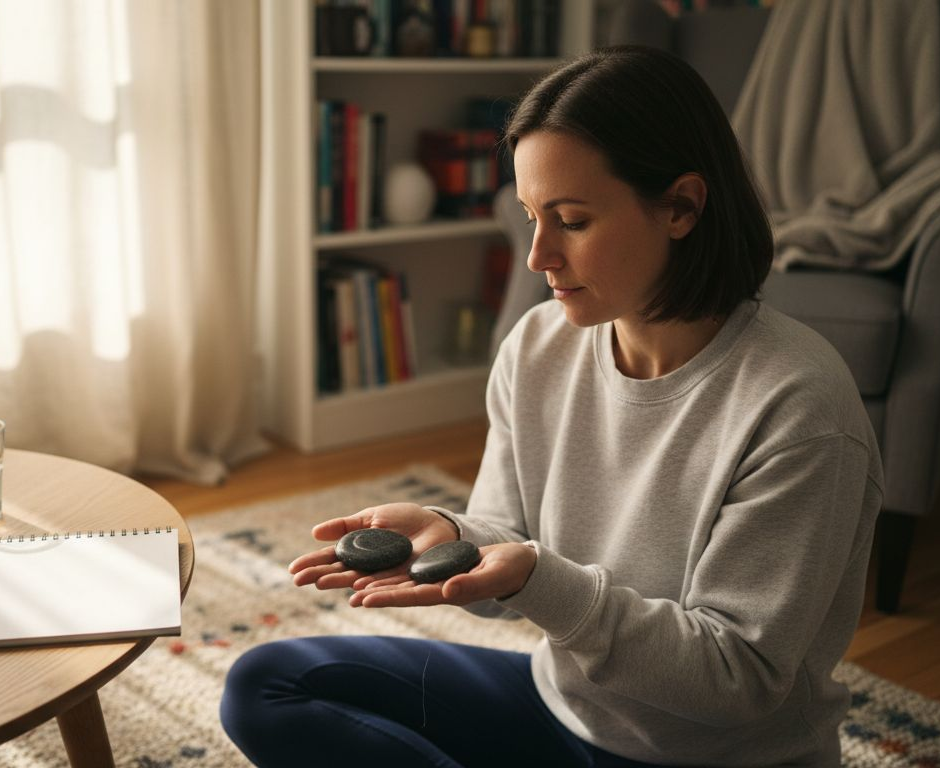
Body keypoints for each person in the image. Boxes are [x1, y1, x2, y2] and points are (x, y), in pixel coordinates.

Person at [220, 45, 883, 767]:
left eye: (570, 219)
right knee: (266, 683)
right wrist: (449, 536)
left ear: (681, 207)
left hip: (714, 757)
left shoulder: (798, 406)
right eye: (532, 215)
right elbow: (502, 560)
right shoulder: (538, 346)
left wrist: (542, 580)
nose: (537, 256)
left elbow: (735, 680)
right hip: (563, 708)